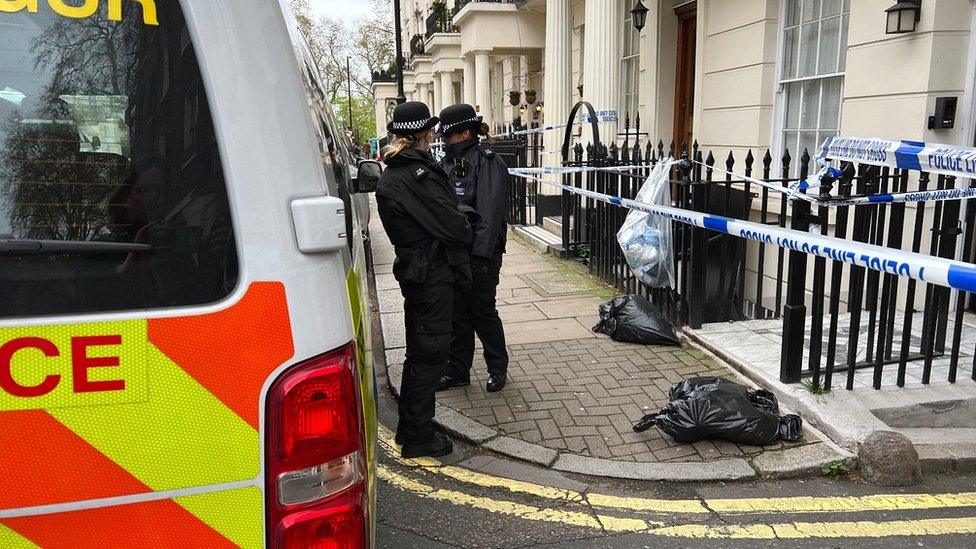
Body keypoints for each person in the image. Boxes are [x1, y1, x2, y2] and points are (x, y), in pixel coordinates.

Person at [376, 101, 473, 458]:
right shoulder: (414, 176)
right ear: (424, 134)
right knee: (431, 354)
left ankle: (410, 428)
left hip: (415, 272)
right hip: (432, 274)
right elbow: (454, 226)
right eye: (431, 130)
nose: (434, 135)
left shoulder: (395, 174)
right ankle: (418, 436)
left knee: (419, 353)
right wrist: (465, 221)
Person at [436, 103, 510, 394]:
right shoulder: (446, 163)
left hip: (482, 254)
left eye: (449, 135)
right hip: (455, 253)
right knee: (458, 313)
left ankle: (497, 366)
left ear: (466, 133)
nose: (444, 140)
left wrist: (479, 256)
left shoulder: (488, 162)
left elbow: (490, 215)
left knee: (482, 311)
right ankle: (458, 370)